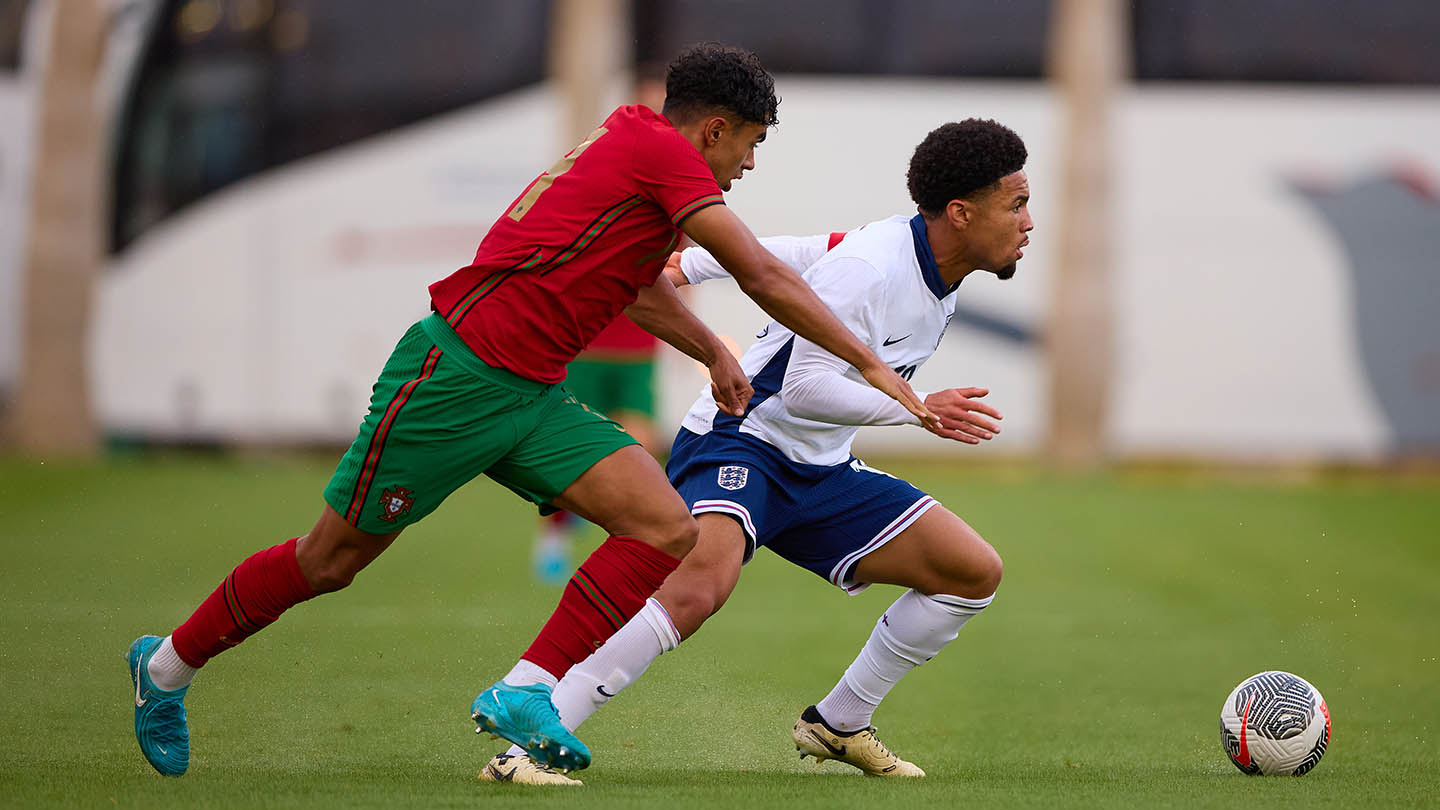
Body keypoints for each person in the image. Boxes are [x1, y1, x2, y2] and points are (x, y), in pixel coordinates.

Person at [125, 43, 937, 779]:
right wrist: (872, 365)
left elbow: (642, 287)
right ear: (714, 130)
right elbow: (761, 272)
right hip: (452, 380)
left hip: (531, 393)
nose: (750, 164)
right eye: (751, 144)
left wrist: (714, 352)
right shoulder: (659, 153)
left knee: (665, 526)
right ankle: (165, 668)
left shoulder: (638, 147)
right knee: (329, 562)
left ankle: (525, 689)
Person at [478, 119, 1032, 786]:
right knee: (700, 586)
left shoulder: (913, 260)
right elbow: (799, 391)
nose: (1029, 222)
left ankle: (839, 722)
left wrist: (695, 261)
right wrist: (915, 409)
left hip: (820, 467)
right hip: (742, 438)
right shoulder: (874, 268)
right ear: (962, 214)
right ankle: (526, 744)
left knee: (971, 572)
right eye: (1017, 204)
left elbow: (799, 251)